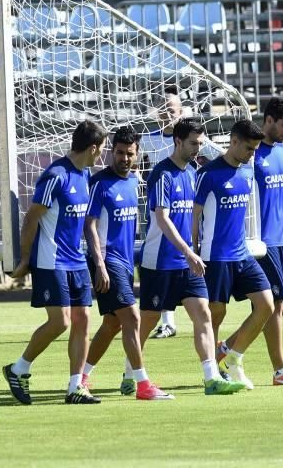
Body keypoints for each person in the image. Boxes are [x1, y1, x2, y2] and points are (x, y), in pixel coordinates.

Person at [137, 117, 246, 395]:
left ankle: (211, 378)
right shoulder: (161, 174)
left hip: (187, 263)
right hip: (160, 262)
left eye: (200, 143)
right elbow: (162, 219)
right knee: (147, 322)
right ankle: (132, 373)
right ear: (177, 141)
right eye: (193, 143)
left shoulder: (192, 173)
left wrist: (194, 250)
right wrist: (188, 251)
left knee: (203, 315)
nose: (198, 148)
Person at [3, 120, 107, 405]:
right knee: (60, 322)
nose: (102, 154)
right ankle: (18, 368)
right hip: (51, 260)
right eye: (102, 149)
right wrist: (25, 259)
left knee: (83, 319)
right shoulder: (55, 176)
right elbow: (31, 218)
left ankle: (76, 387)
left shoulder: (85, 176)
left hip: (76, 261)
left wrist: (97, 261)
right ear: (93, 147)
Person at [218, 97, 283, 386]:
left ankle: (223, 349)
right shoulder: (251, 154)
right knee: (272, 306)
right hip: (262, 242)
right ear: (269, 120)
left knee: (281, 308)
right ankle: (280, 371)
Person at [80, 127, 173, 400]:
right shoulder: (100, 183)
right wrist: (99, 264)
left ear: (137, 154)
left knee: (112, 324)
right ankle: (143, 384)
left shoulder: (135, 181)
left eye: (129, 153)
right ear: (111, 152)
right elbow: (90, 225)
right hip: (107, 261)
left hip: (125, 261)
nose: (123, 158)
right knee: (132, 317)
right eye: (119, 153)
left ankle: (81, 377)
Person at [193, 119, 274, 390]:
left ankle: (234, 359)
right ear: (234, 141)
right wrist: (192, 252)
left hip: (242, 255)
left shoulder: (248, 171)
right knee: (215, 315)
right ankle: (212, 372)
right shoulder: (208, 173)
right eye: (249, 148)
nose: (252, 154)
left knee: (266, 305)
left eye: (255, 149)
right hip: (214, 257)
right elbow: (194, 217)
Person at [140, 87, 182, 339]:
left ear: (180, 112)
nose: (167, 113)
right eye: (163, 108)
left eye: (172, 109)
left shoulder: (189, 139)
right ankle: (166, 320)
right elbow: (136, 166)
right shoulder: (148, 140)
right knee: (159, 261)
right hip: (157, 209)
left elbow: (214, 155)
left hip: (184, 210)